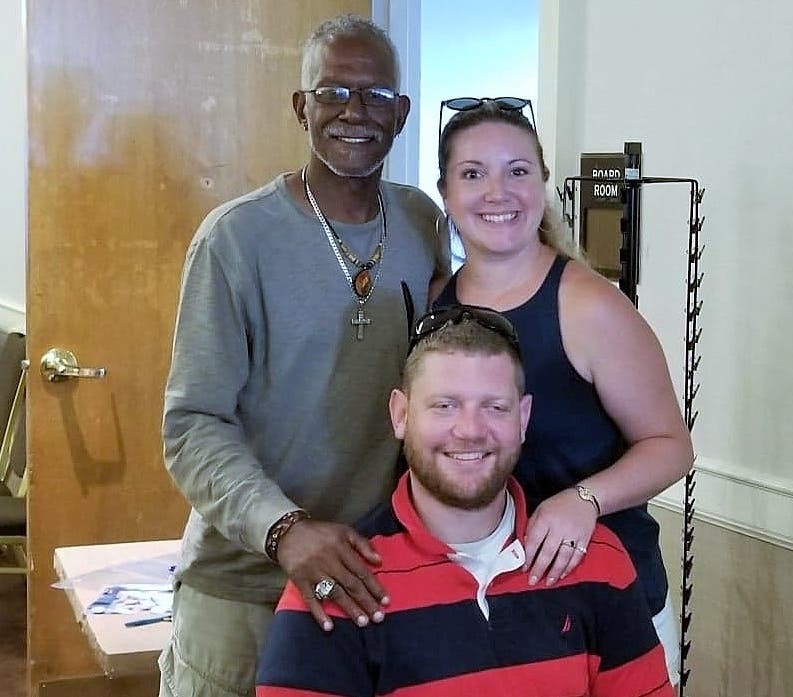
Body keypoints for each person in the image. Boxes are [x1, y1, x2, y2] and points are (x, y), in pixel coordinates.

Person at [159, 15, 449, 697]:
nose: (355, 112)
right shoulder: (236, 238)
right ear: (302, 107)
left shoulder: (422, 222)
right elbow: (192, 425)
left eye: (377, 95)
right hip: (243, 587)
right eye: (332, 93)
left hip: (373, 580)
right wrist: (284, 529)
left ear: (401, 113)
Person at [256, 308, 674, 697]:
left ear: (523, 419)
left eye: (494, 407)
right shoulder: (339, 581)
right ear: (400, 415)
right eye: (444, 405)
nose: (470, 430)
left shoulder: (596, 560)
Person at [433, 99, 694, 684]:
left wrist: (585, 499)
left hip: (608, 606)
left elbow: (670, 445)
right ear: (446, 193)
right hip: (491, 611)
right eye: (473, 173)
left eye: (517, 170)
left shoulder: (588, 305)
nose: (497, 192)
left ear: (543, 183)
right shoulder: (437, 307)